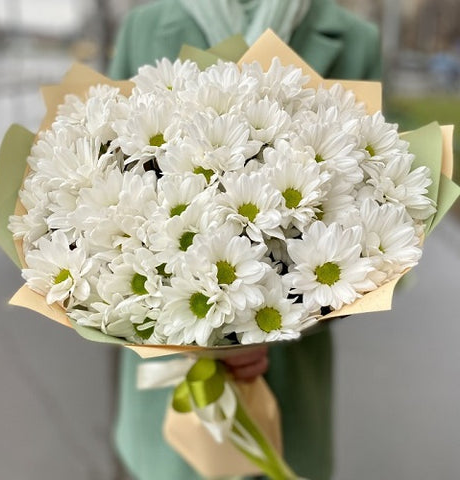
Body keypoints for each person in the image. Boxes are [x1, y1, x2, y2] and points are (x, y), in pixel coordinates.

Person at [108, 1, 381, 479]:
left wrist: (279, 325)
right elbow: (106, 169)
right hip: (167, 368)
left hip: (289, 377)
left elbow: (384, 220)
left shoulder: (356, 39)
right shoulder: (144, 27)